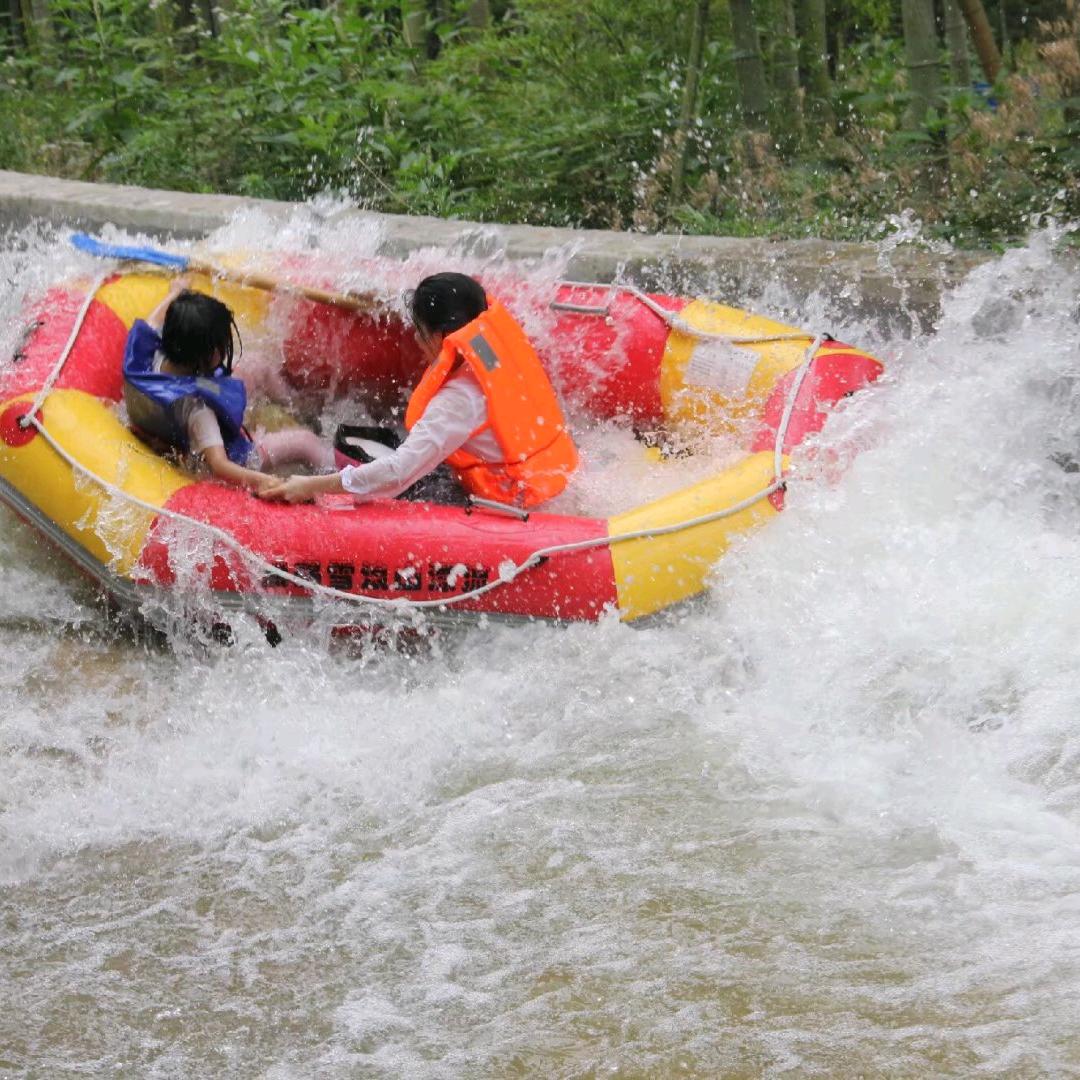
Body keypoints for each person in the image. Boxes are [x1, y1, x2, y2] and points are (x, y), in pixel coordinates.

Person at [260, 272, 578, 507]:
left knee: (358, 456)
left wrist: (312, 486)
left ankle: (304, 454)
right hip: (548, 476)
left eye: (419, 331)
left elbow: (397, 473)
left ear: (440, 336)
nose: (415, 339)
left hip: (515, 501)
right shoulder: (493, 351)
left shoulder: (458, 399)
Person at [123, 278, 335, 493]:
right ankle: (337, 469)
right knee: (305, 441)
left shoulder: (152, 354)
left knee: (257, 365)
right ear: (210, 354)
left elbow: (153, 320)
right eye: (223, 344)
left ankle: (298, 407)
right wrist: (261, 480)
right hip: (238, 457)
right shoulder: (198, 410)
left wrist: (176, 291)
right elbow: (219, 465)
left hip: (170, 415)